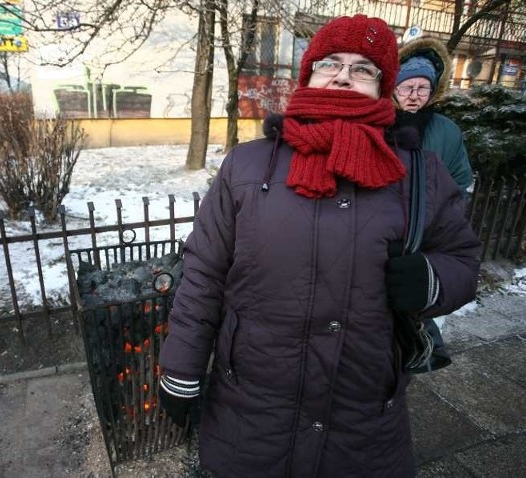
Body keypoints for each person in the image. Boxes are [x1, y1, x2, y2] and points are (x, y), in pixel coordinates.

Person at [159, 14, 481, 477]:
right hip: (252, 410)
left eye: (364, 68)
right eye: (330, 62)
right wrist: (183, 367)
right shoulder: (248, 165)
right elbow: (205, 271)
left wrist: (431, 279)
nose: (345, 75)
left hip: (363, 416)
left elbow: (464, 261)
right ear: (308, 73)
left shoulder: (418, 171)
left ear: (381, 87)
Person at [393, 36, 473, 196]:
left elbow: (461, 181)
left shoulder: (447, 130)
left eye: (423, 88)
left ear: (433, 91)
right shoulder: (379, 123)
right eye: (407, 88)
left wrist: (447, 216)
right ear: (393, 90)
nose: (414, 96)